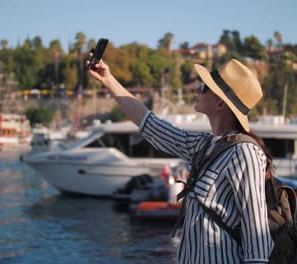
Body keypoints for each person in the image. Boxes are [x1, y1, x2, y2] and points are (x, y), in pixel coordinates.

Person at [88, 57, 273, 263]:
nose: (197, 90)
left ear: (221, 102)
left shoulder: (244, 153)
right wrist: (108, 79)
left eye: (204, 87)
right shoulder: (204, 145)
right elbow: (152, 126)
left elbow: (257, 236)